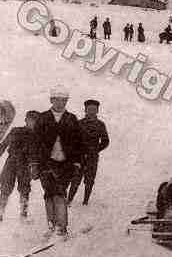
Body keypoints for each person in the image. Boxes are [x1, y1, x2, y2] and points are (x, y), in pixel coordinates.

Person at [29, 86, 84, 240]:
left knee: (60, 194)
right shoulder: (42, 118)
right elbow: (34, 142)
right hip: (45, 163)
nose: (60, 103)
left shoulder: (72, 119)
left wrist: (77, 163)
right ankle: (51, 225)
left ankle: (62, 228)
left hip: (65, 164)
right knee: (48, 194)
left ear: (66, 101)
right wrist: (33, 163)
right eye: (57, 99)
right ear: (51, 100)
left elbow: (79, 143)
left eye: (64, 100)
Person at [67, 100, 109, 206]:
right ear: (85, 110)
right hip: (79, 157)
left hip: (92, 157)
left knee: (90, 180)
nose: (91, 112)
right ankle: (69, 200)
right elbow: (72, 140)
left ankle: (85, 201)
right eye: (89, 109)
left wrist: (96, 150)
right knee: (75, 179)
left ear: (97, 111)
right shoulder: (79, 123)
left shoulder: (100, 125)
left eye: (94, 110)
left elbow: (105, 141)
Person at [0, 111, 39, 221]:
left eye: (35, 121)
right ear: (26, 120)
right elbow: (3, 145)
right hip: (11, 162)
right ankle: (0, 211)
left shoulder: (37, 137)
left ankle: (23, 214)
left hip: (26, 165)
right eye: (30, 120)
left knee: (24, 189)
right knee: (5, 187)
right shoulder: (15, 131)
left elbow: (36, 154)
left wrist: (34, 167)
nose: (32, 123)